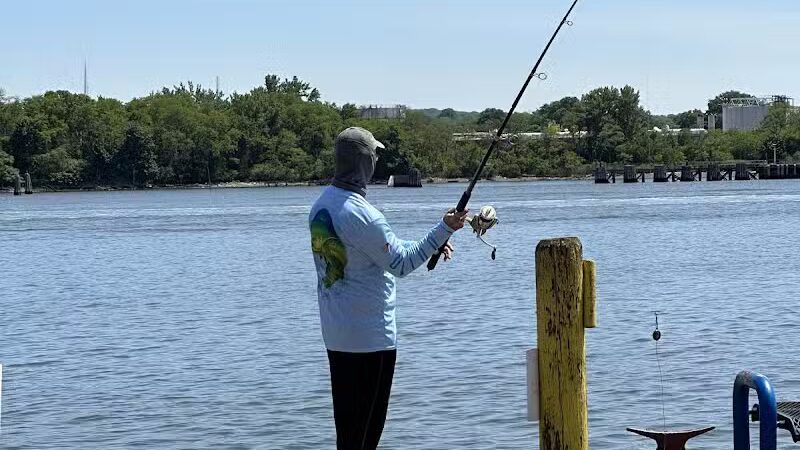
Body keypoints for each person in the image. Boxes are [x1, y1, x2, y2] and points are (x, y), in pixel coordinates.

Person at [309, 127, 467, 449]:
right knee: (365, 438)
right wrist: (444, 229)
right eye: (375, 156)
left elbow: (375, 252)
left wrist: (432, 245)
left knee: (349, 436)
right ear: (365, 162)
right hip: (370, 341)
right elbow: (401, 263)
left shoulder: (322, 205)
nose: (378, 162)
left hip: (338, 334)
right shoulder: (364, 215)